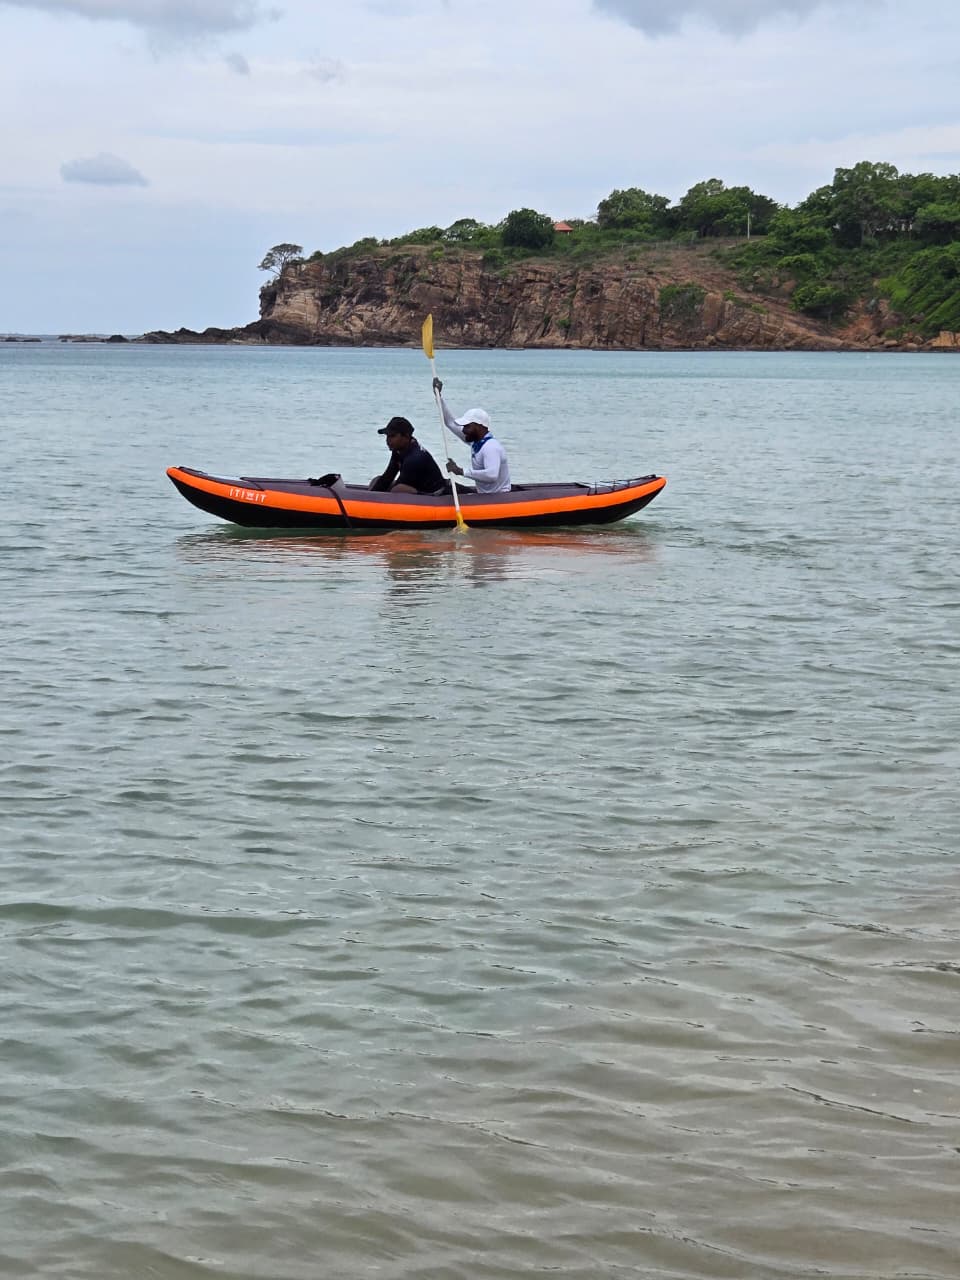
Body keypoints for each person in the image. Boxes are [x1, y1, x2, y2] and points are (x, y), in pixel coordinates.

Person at [432, 378, 511, 493]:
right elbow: (449, 423)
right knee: (447, 487)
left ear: (478, 426)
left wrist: (461, 471)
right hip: (483, 496)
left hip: (499, 498)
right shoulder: (476, 442)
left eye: (467, 426)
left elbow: (492, 475)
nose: (463, 430)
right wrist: (438, 396)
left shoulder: (491, 447)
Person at [369, 416, 445, 494]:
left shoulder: (414, 458)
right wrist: (371, 495)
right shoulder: (399, 449)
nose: (388, 440)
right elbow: (388, 476)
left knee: (398, 489)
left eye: (392, 436)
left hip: (433, 494)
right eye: (387, 436)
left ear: (406, 436)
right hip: (416, 487)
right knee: (377, 480)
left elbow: (399, 486)